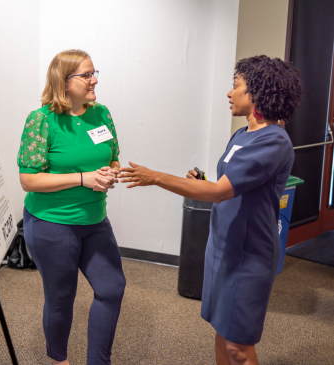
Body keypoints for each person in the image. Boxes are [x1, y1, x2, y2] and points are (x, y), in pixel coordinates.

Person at [118, 55, 302, 365]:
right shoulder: (243, 135)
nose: (229, 94)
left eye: (235, 86)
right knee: (222, 331)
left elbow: (220, 193)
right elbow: (230, 184)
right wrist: (203, 181)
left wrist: (156, 177)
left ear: (256, 91)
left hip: (249, 255)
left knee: (238, 347)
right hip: (224, 247)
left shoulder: (275, 141)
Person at [17, 49, 125, 365]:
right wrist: (83, 178)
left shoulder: (101, 113)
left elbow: (114, 156)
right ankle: (58, 359)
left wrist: (110, 172)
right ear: (63, 82)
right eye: (86, 75)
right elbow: (29, 180)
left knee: (112, 287)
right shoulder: (41, 120)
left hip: (94, 220)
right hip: (52, 223)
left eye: (95, 73)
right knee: (62, 298)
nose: (94, 80)